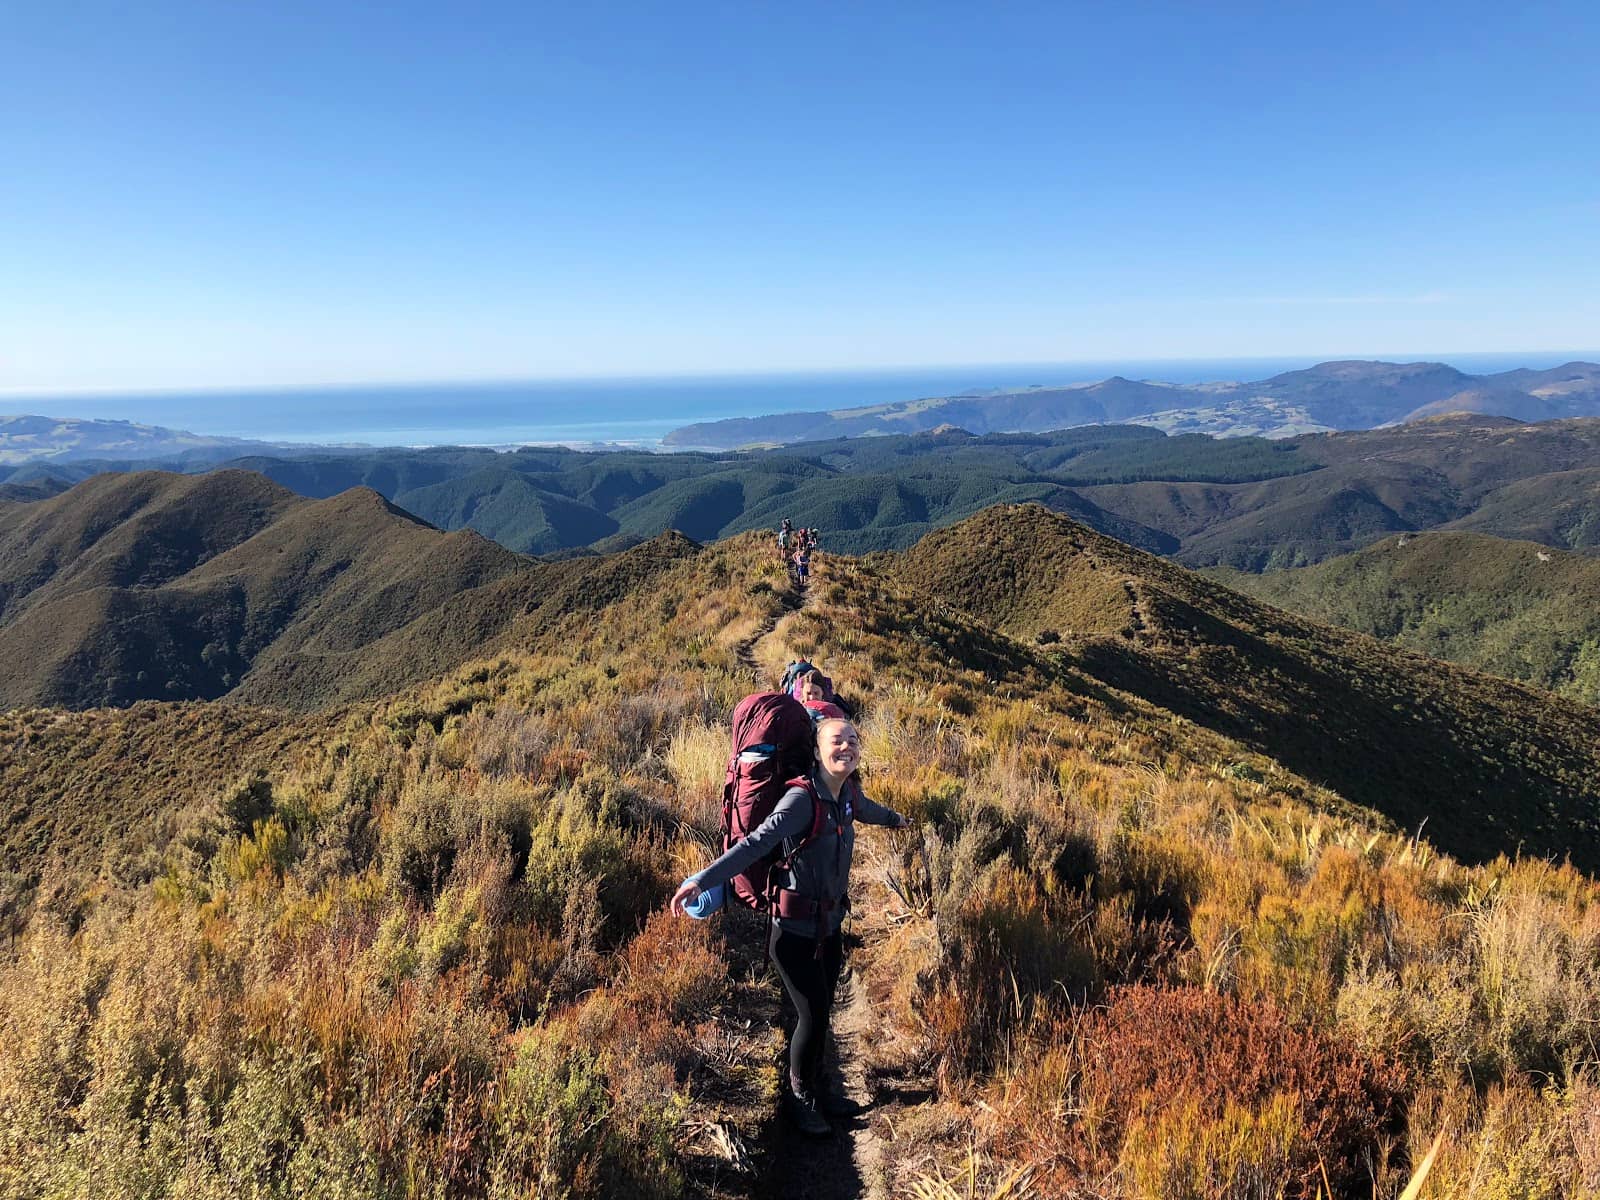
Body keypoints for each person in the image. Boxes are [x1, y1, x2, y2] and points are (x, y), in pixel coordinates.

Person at [671, 717, 909, 1136]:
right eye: (838, 740)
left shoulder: (849, 793)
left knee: (825, 1008)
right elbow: (754, 844)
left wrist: (897, 820)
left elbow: (868, 810)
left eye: (854, 740)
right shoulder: (801, 801)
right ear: (817, 751)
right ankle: (800, 1100)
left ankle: (821, 1089)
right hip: (793, 932)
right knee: (813, 1013)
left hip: (830, 925)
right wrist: (701, 880)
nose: (848, 746)